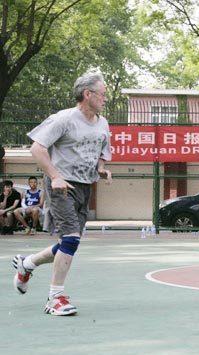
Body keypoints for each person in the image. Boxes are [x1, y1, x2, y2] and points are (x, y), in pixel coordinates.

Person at [12, 71, 112, 316]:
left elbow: (101, 153)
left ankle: (28, 264)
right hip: (62, 186)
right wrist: (55, 176)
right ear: (87, 94)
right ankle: (55, 297)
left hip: (84, 186)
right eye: (102, 94)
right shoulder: (64, 119)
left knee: (68, 243)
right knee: (71, 239)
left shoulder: (102, 123)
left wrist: (101, 169)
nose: (105, 99)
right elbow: (37, 148)